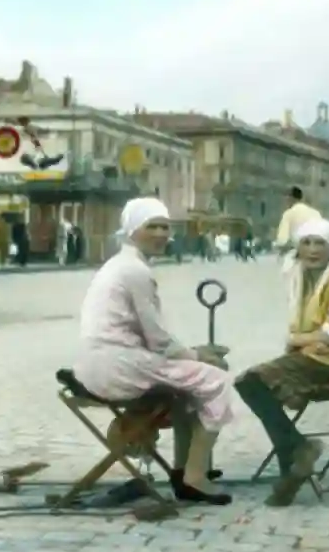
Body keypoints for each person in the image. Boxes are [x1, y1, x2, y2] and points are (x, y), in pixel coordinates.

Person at [73, 197, 235, 504]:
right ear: (132, 230)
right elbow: (158, 340)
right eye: (153, 227)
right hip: (117, 366)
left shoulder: (122, 265)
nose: (161, 234)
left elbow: (151, 337)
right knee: (217, 381)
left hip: (106, 361)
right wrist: (200, 356)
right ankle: (195, 476)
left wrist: (190, 352)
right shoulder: (134, 271)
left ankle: (182, 470)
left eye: (165, 227)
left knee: (191, 385)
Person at [235, 218, 329, 506]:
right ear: (298, 247)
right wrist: (304, 341)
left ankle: (296, 457)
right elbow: (312, 334)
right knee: (250, 382)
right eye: (306, 242)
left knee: (252, 382)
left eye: (320, 243)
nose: (312, 250)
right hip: (314, 356)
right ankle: (297, 455)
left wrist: (297, 340)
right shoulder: (300, 277)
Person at [275, 187, 322, 273]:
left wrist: (280, 248)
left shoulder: (289, 214)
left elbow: (282, 240)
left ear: (290, 198)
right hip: (318, 254)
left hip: (299, 255)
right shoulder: (315, 213)